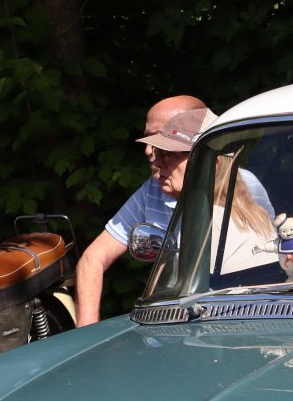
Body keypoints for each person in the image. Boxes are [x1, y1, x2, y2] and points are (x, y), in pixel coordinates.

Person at [75, 94, 273, 325]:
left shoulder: (238, 197)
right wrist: (85, 328)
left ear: (209, 161)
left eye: (166, 149)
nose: (150, 153)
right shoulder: (154, 189)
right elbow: (93, 258)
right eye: (152, 143)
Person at [138, 108, 281, 282]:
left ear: (213, 164)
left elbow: (187, 302)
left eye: (171, 154)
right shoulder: (246, 212)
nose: (158, 162)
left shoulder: (208, 221)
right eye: (159, 153)